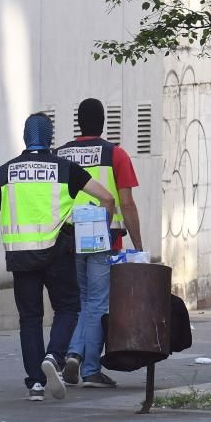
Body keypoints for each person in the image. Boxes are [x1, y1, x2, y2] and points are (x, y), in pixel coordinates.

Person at [0, 112, 115, 401]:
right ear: (50, 137)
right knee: (68, 307)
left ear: (25, 137)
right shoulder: (66, 169)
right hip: (56, 253)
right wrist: (102, 230)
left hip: (20, 257)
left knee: (30, 318)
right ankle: (54, 357)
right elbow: (107, 198)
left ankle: (35, 384)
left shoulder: (6, 172)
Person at [56, 98, 143, 389]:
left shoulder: (60, 154)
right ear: (103, 122)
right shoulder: (115, 154)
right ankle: (90, 368)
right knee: (97, 302)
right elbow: (127, 204)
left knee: (79, 302)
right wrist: (138, 245)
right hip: (102, 237)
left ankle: (73, 355)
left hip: (68, 239)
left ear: (78, 123)